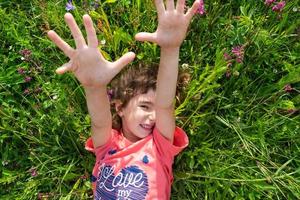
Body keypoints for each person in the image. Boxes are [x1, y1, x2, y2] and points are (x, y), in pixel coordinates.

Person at [47, 0, 200, 199]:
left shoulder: (159, 146)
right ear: (120, 107)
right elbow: (100, 121)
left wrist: (170, 49)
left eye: (156, 109)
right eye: (145, 106)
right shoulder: (107, 145)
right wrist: (94, 87)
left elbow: (165, 105)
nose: (153, 116)